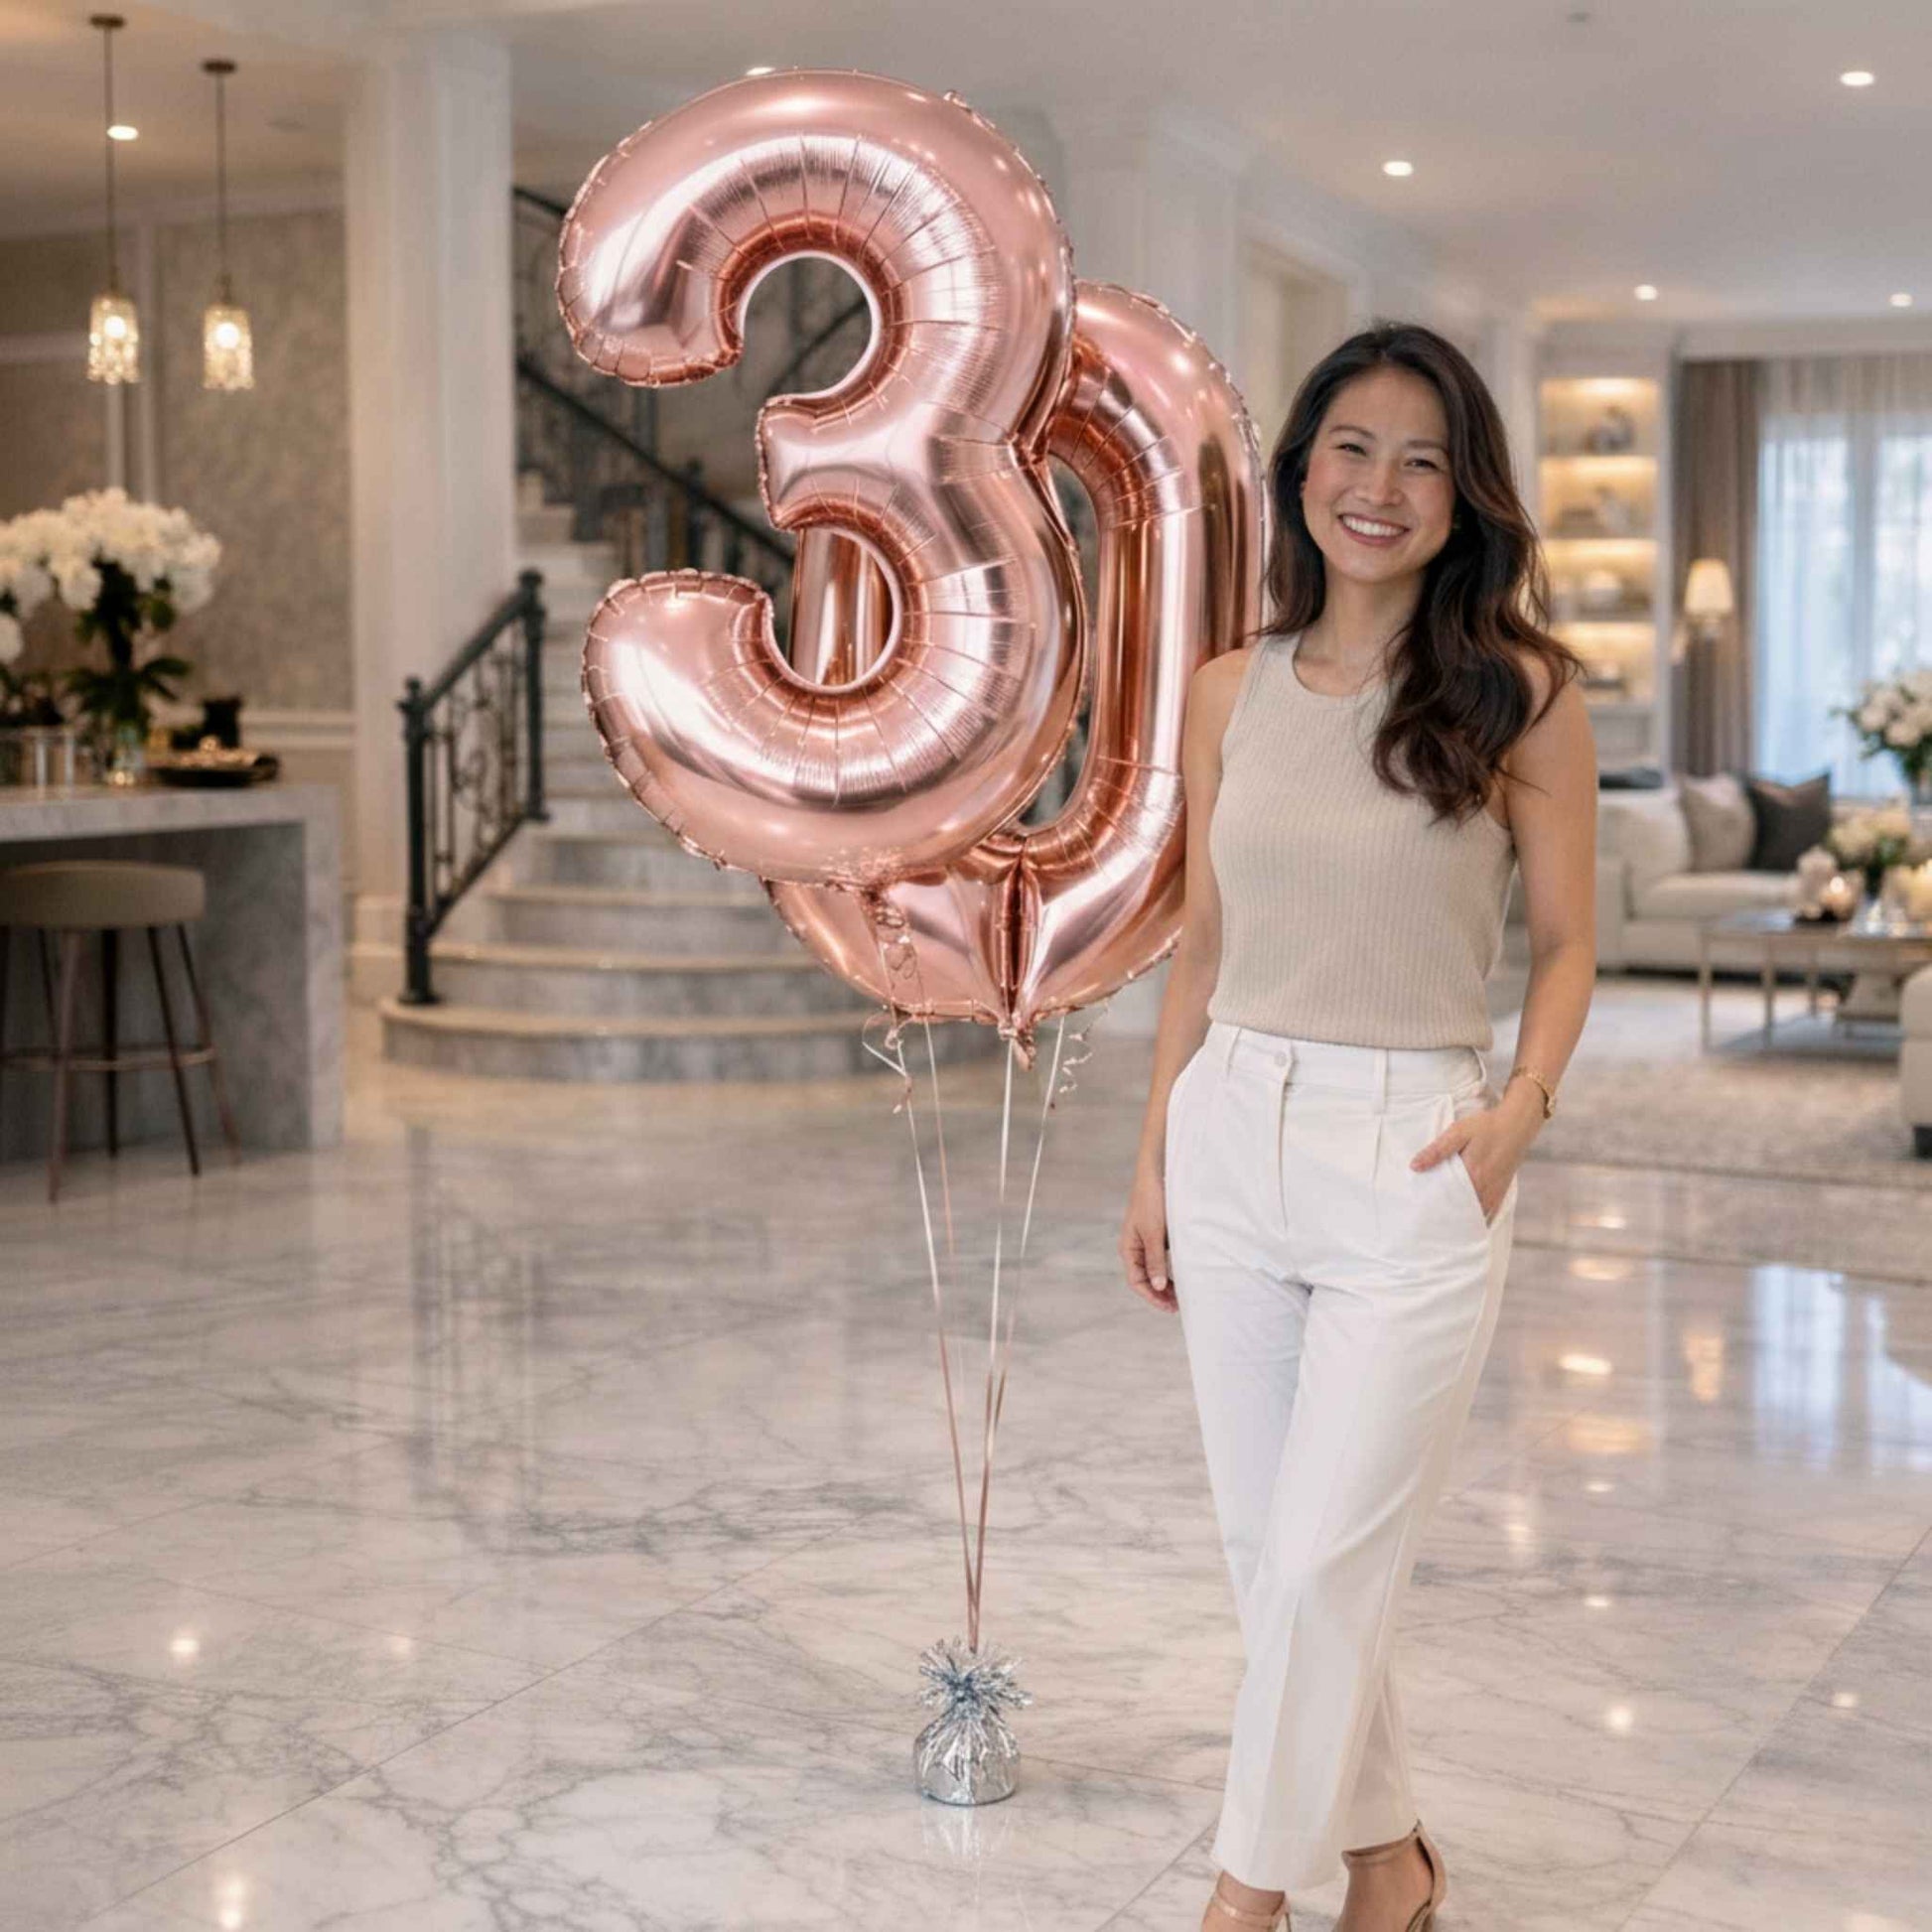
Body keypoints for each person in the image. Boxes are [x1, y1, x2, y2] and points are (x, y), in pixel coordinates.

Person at [1119, 321, 1598, 1932]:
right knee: (1276, 1554)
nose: (1377, 486)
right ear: (1301, 469)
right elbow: (1201, 936)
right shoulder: (1224, 689)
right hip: (1230, 1127)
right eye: (1350, 447)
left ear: (1464, 498)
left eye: (1420, 459)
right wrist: (1155, 1149)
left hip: (1415, 1150)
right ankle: (1387, 1865)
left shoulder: (1519, 696)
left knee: (1327, 1558)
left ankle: (1241, 1900)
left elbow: (1567, 945)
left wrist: (1518, 1112)